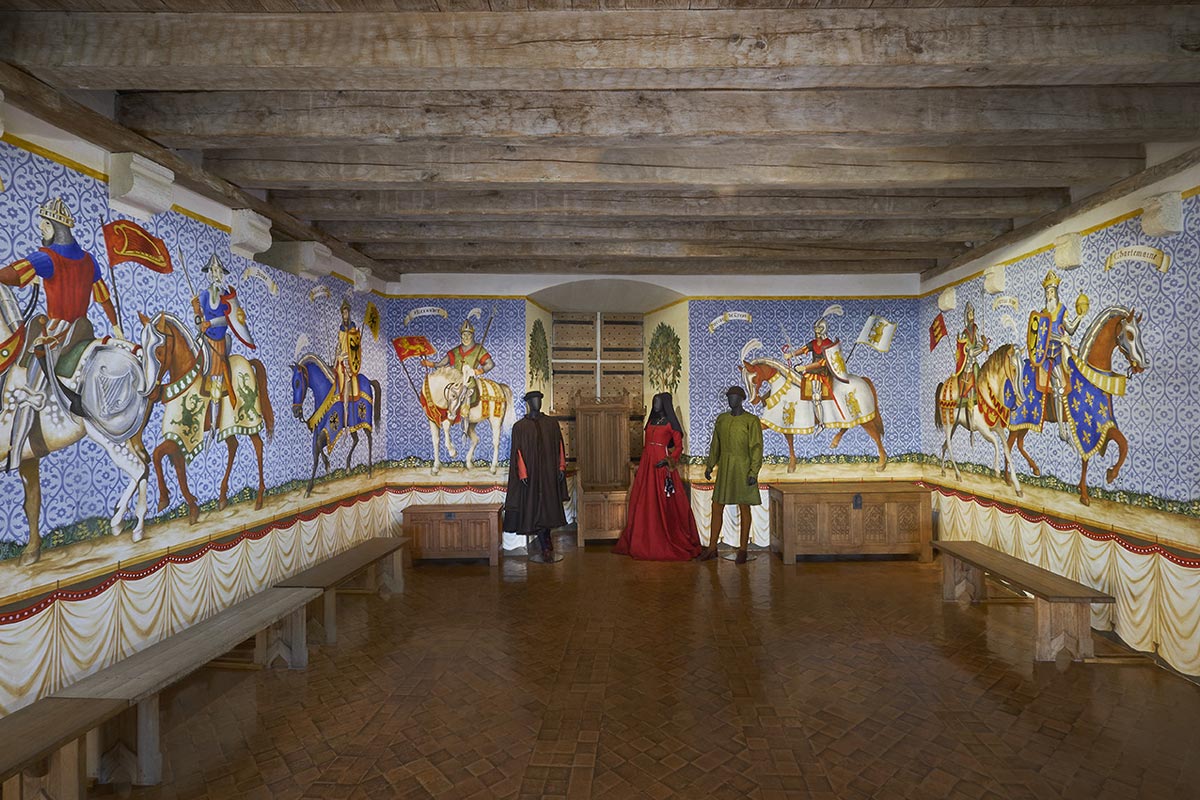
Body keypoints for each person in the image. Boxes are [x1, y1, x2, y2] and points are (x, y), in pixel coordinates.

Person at [0, 197, 123, 469]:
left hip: (57, 331)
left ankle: (16, 449)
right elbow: (103, 297)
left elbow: (13, 274)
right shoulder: (89, 261)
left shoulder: (48, 258)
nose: (41, 231)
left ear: (54, 227)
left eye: (44, 226)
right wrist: (116, 327)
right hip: (83, 328)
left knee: (28, 387)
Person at [613, 392, 701, 561]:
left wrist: (668, 461)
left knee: (663, 501)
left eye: (658, 402)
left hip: (661, 465)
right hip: (647, 464)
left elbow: (678, 447)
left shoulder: (670, 424)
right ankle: (643, 539)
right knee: (642, 500)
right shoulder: (651, 422)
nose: (656, 404)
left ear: (665, 404)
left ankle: (664, 538)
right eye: (654, 401)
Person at [698, 386, 763, 564]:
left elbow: (756, 447)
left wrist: (753, 472)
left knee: (744, 507)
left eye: (734, 397)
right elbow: (715, 445)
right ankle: (712, 548)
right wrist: (710, 465)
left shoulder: (751, 420)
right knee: (717, 506)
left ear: (741, 399)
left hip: (743, 468)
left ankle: (743, 549)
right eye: (729, 397)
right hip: (725, 468)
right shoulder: (722, 419)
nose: (731, 400)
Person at [191, 254, 255, 430]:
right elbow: (199, 326)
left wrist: (210, 322)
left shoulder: (227, 297)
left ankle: (213, 423)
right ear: (209, 273)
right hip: (205, 339)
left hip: (219, 341)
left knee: (216, 382)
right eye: (213, 271)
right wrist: (197, 313)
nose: (216, 274)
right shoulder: (203, 296)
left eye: (219, 271)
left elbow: (229, 320)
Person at [504, 390, 568, 561]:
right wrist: (523, 472)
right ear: (528, 402)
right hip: (531, 478)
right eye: (533, 400)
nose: (536, 403)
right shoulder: (520, 427)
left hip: (548, 475)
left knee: (549, 508)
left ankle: (546, 540)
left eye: (539, 399)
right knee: (535, 509)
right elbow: (516, 452)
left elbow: (560, 446)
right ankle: (544, 543)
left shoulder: (551, 424)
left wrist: (561, 467)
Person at [1028, 270, 1089, 440]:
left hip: (1062, 350)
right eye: (1047, 292)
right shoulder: (1041, 313)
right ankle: (1062, 429)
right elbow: (1038, 338)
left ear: (1056, 293)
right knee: (1058, 386)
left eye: (1051, 291)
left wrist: (1080, 317)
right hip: (1048, 356)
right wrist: (1054, 337)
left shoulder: (1062, 310)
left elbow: (1070, 328)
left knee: (1079, 369)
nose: (1049, 295)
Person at [422, 318, 494, 408]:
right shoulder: (456, 351)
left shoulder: (478, 349)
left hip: (468, 383)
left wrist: (478, 371)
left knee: (465, 404)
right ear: (461, 335)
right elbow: (443, 362)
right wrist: (432, 364)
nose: (466, 337)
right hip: (455, 383)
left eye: (468, 334)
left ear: (472, 335)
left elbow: (490, 364)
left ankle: (466, 420)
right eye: (464, 334)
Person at [783, 315, 838, 429]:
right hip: (812, 369)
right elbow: (803, 350)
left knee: (816, 397)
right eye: (815, 329)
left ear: (823, 330)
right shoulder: (813, 343)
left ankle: (821, 423)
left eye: (818, 329)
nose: (816, 332)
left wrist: (805, 368)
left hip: (822, 372)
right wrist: (791, 354)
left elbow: (822, 362)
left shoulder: (828, 344)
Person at [954, 302, 990, 411]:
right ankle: (970, 401)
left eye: (973, 314)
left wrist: (983, 344)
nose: (972, 317)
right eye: (970, 315)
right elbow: (970, 352)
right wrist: (982, 349)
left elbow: (978, 341)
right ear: (966, 317)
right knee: (971, 376)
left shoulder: (975, 329)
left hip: (975, 362)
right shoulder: (965, 334)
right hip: (968, 363)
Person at [333, 299, 362, 406]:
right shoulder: (341, 328)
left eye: (347, 312)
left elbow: (354, 343)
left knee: (344, 373)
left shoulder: (352, 326)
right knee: (336, 370)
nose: (345, 315)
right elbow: (340, 343)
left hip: (349, 357)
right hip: (341, 356)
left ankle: (346, 399)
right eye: (343, 313)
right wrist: (337, 353)